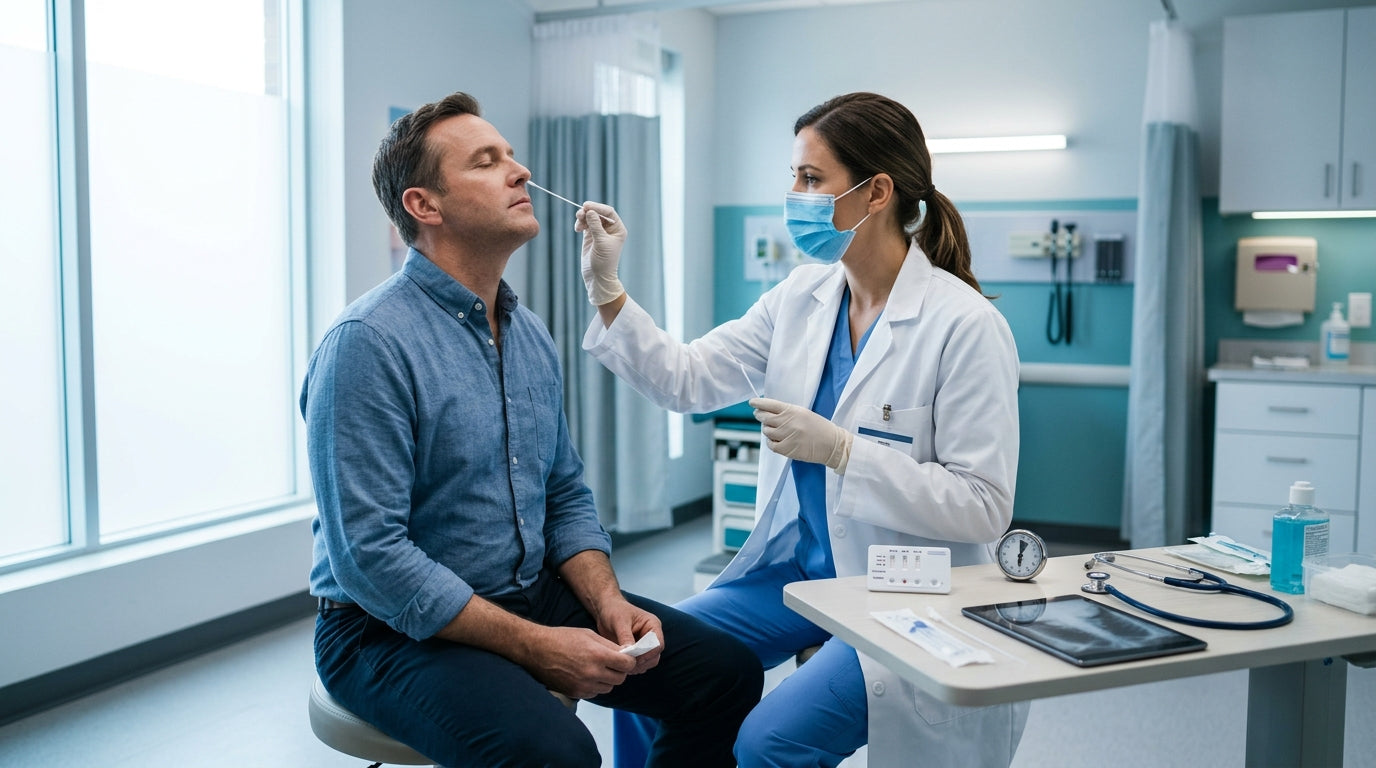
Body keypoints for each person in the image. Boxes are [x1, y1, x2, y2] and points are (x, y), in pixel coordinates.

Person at [300, 91, 762, 768]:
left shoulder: (527, 332)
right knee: (555, 752)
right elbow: (371, 557)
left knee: (722, 673)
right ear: (424, 207)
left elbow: (564, 492)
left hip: (522, 590)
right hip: (383, 629)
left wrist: (605, 602)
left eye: (512, 156)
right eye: (488, 162)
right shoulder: (367, 344)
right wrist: (537, 646)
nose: (518, 172)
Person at [576, 92, 1030, 768]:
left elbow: (983, 506)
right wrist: (608, 286)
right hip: (798, 574)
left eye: (811, 179)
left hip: (903, 588)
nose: (794, 194)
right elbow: (689, 378)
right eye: (794, 177)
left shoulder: (963, 326)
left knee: (770, 742)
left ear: (876, 192)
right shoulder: (801, 297)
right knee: (644, 666)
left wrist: (847, 453)